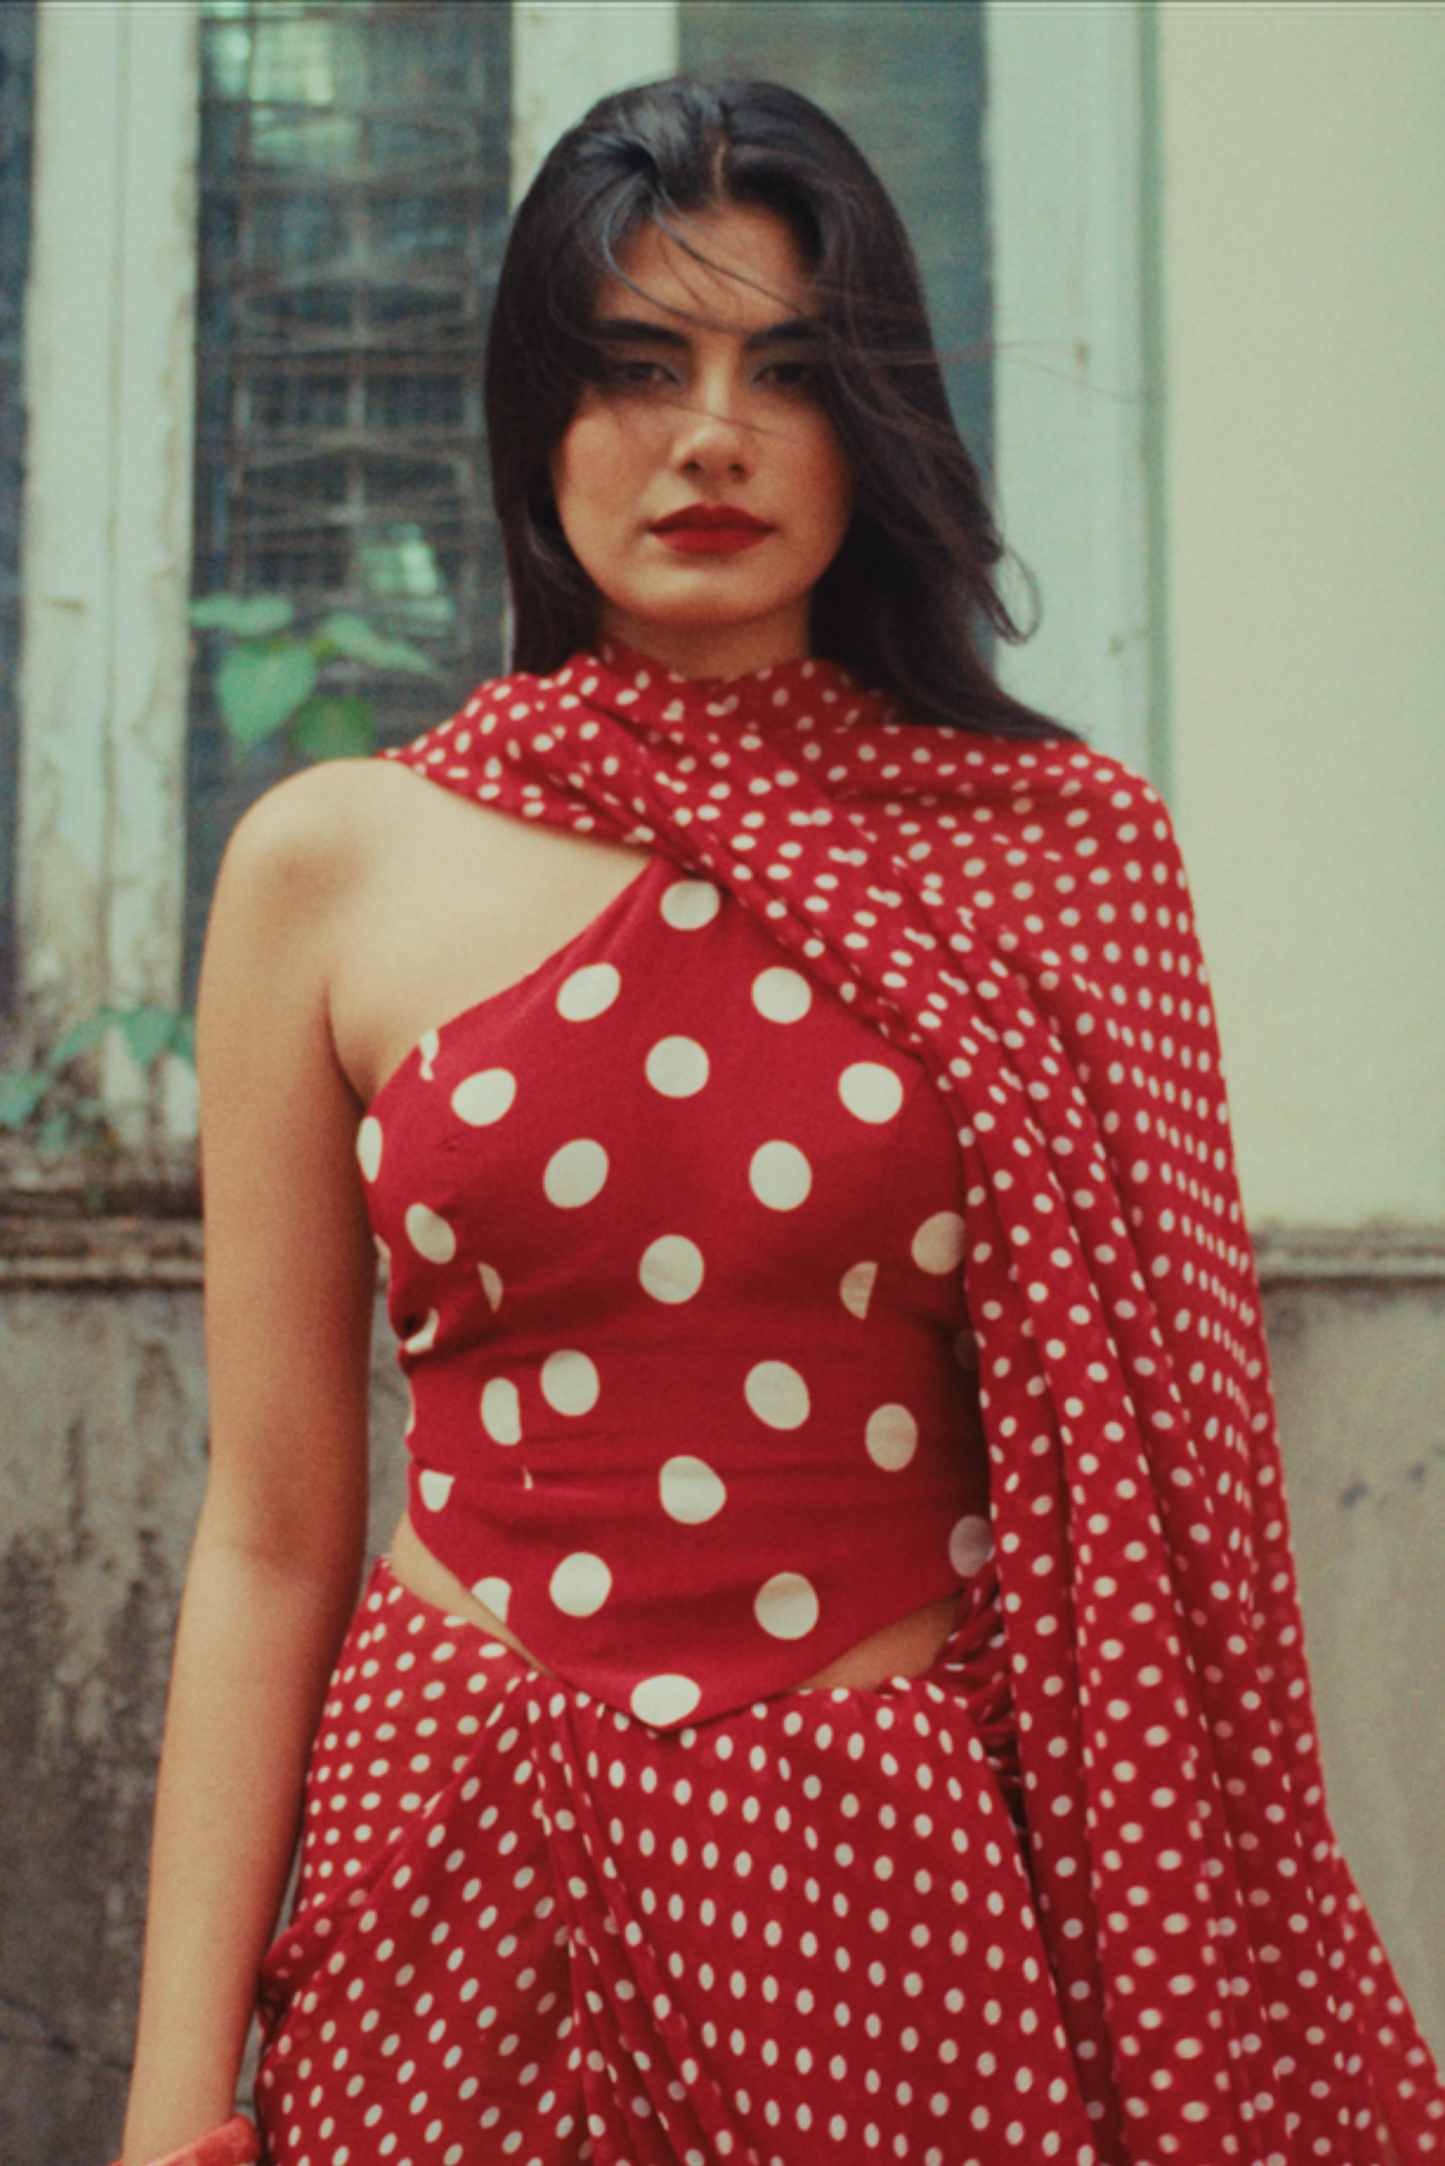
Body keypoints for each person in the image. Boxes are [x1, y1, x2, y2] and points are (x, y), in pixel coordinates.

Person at [117, 76, 1443, 2166]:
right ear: (533, 420)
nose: (707, 434)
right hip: (459, 1858)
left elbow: (1165, 1519)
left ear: (876, 427)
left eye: (787, 371)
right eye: (636, 367)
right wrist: (176, 2090)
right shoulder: (333, 867)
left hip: (876, 1874)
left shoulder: (1047, 862)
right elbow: (272, 1531)